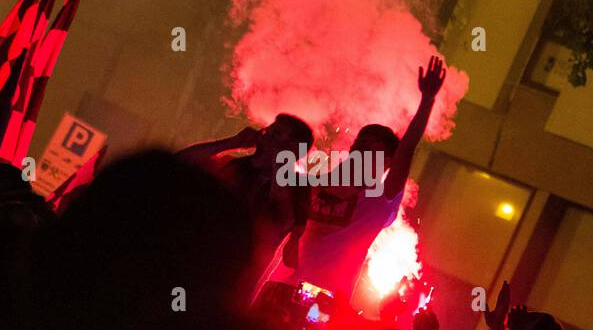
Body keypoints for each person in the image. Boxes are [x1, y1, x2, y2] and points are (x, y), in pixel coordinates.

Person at [269, 56, 445, 305]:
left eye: (372, 151)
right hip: (278, 288)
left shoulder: (379, 200)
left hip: (323, 302)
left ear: (388, 164)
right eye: (359, 146)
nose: (360, 154)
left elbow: (407, 150)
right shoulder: (315, 184)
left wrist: (427, 101)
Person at [177, 114, 313, 293]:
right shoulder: (237, 165)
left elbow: (281, 220)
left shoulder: (298, 185)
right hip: (196, 264)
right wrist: (231, 143)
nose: (267, 135)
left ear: (294, 150)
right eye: (269, 130)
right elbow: (182, 161)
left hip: (234, 284)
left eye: (277, 134)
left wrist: (281, 167)